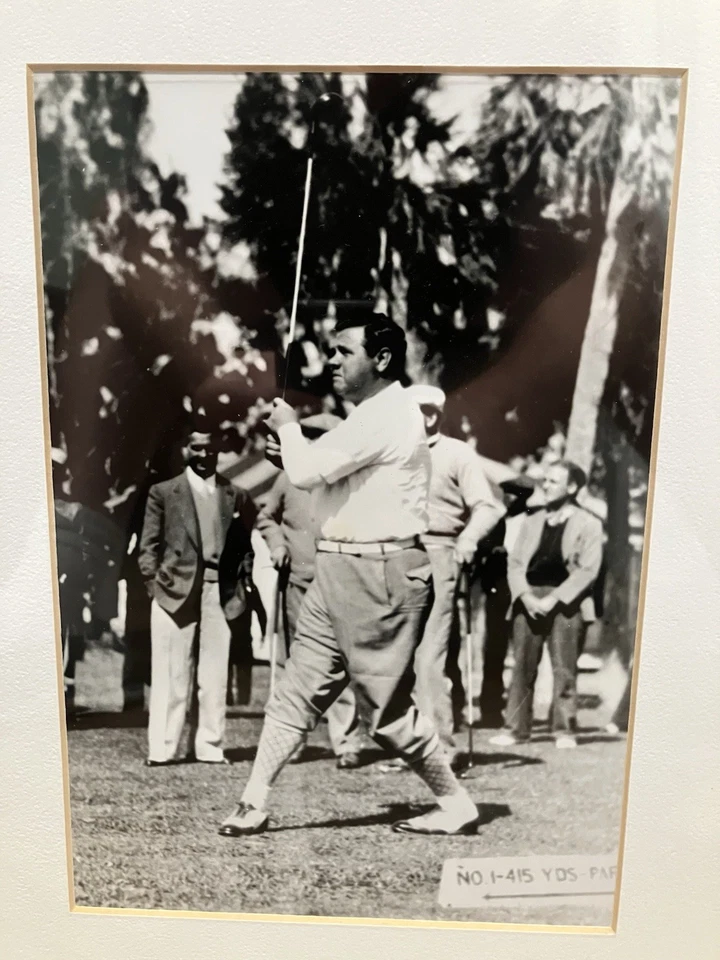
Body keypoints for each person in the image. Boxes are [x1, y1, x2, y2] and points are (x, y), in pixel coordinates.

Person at [219, 309, 479, 837]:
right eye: (332, 351)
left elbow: (310, 470)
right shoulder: (367, 415)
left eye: (344, 352)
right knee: (295, 690)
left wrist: (291, 433)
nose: (332, 360)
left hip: (381, 572)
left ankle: (455, 803)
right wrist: (291, 446)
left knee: (383, 715)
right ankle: (254, 800)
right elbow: (323, 479)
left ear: (381, 359)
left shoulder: (389, 412)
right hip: (339, 569)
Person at [392, 385, 504, 768]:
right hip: (394, 556)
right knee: (396, 656)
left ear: (430, 415)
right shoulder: (393, 454)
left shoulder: (458, 453)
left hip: (440, 555)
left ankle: (440, 746)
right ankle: (406, 745)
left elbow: (488, 508)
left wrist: (469, 537)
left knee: (429, 657)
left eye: (414, 412)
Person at [138, 431, 257, 766]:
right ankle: (163, 748)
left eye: (211, 449)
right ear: (184, 449)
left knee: (215, 674)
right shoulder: (163, 492)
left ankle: (209, 746)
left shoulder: (235, 494)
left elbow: (244, 546)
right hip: (173, 591)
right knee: (172, 673)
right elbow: (147, 546)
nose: (204, 454)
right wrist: (154, 583)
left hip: (220, 592)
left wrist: (242, 581)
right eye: (196, 448)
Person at [255, 433, 364, 768]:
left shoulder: (346, 479)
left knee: (340, 661)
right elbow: (265, 518)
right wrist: (278, 546)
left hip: (338, 583)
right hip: (299, 586)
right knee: (296, 664)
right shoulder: (287, 478)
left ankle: (346, 742)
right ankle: (292, 740)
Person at [490, 461, 603, 749]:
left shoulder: (588, 523)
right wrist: (525, 596)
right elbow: (515, 563)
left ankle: (564, 729)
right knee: (522, 667)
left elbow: (588, 571)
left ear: (572, 487)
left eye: (554, 481)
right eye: (546, 481)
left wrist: (554, 598)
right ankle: (515, 728)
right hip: (528, 599)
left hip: (566, 603)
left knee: (565, 668)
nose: (547, 487)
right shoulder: (532, 520)